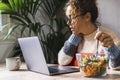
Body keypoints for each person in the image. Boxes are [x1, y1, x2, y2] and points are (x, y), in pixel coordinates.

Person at [58, 0, 120, 69]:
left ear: (87, 17)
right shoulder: (76, 38)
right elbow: (62, 61)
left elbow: (117, 68)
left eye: (71, 18)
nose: (68, 23)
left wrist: (111, 48)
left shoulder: (108, 38)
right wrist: (75, 37)